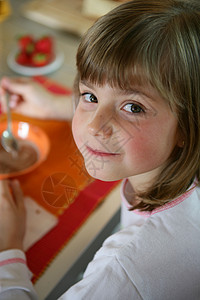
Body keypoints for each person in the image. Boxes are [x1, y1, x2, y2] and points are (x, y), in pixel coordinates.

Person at [0, 0, 200, 299]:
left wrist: (8, 249)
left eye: (133, 107)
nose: (94, 127)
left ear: (188, 125)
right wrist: (56, 106)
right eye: (89, 95)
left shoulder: (123, 271)